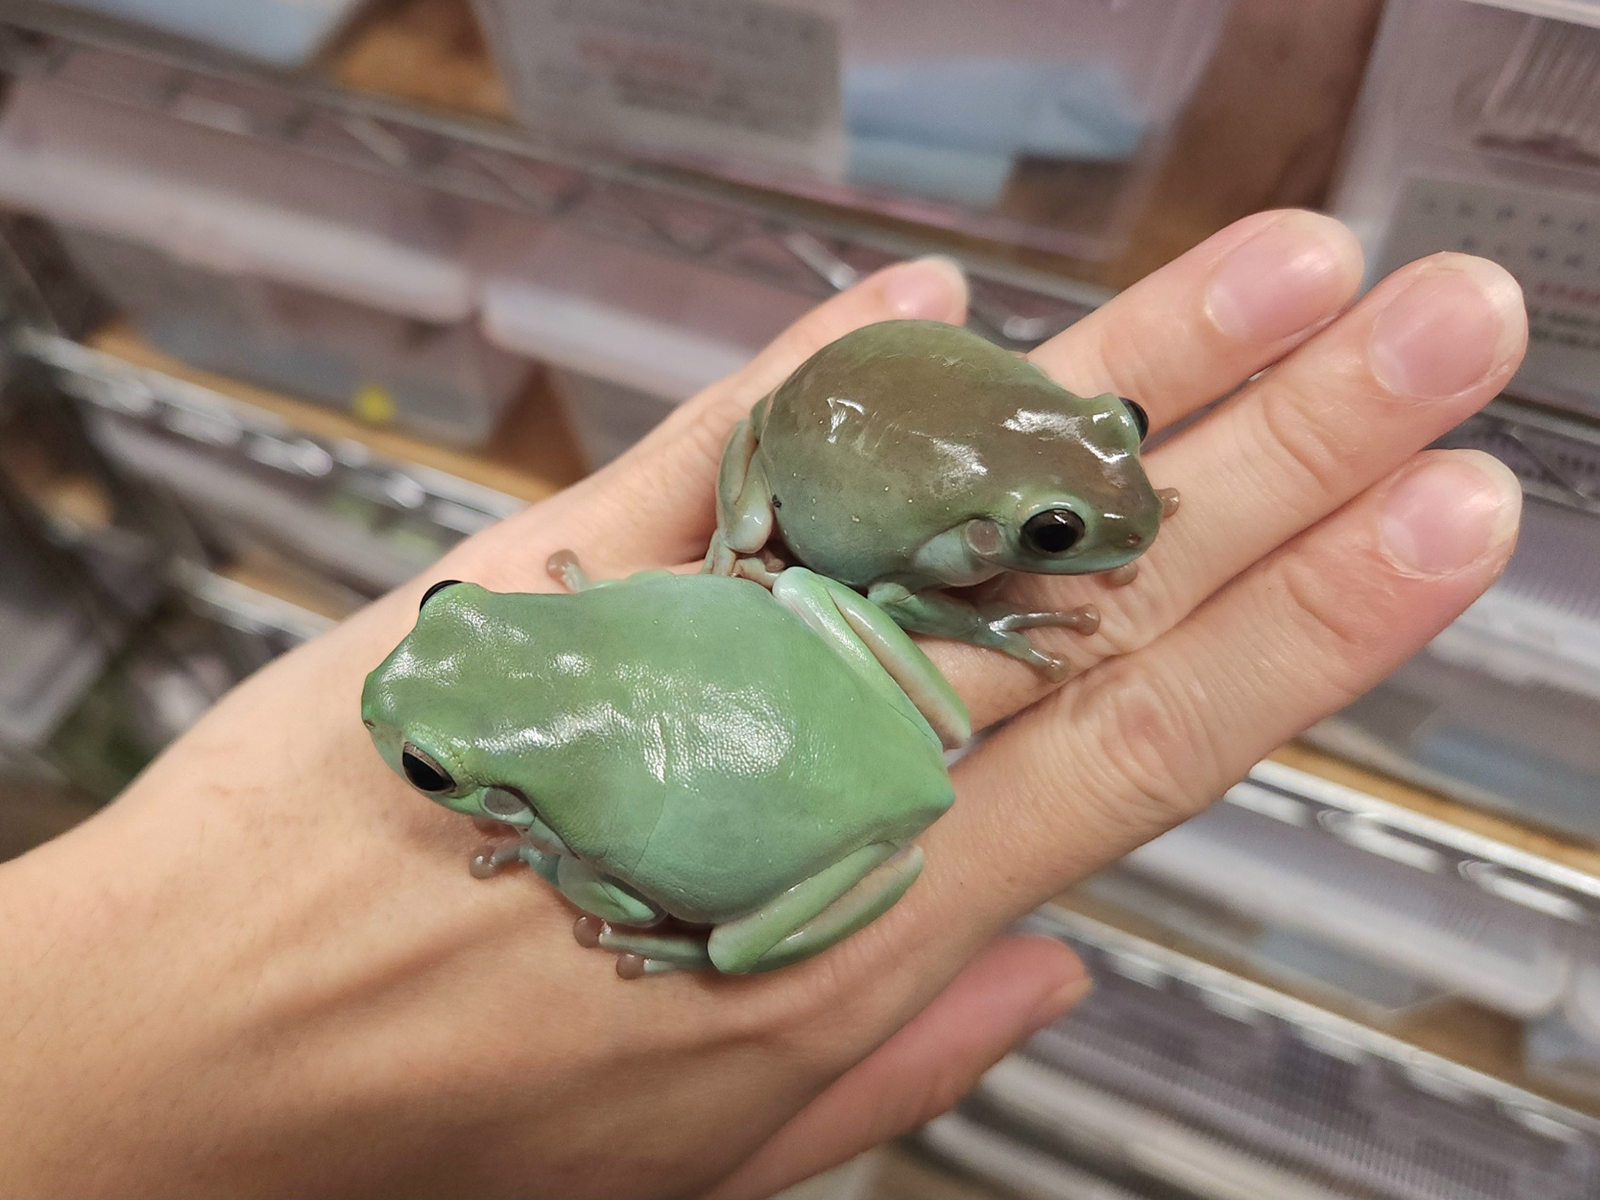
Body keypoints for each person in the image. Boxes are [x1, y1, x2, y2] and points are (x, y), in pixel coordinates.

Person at [0, 210, 1526, 1198]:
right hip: (805, 659)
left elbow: (596, 831)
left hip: (806, 682)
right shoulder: (607, 646)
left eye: (456, 608)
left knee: (742, 857)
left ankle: (737, 878)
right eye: (435, 772)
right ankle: (724, 912)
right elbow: (602, 836)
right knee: (728, 914)